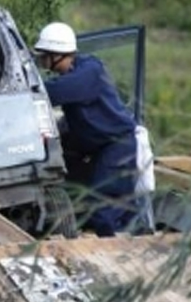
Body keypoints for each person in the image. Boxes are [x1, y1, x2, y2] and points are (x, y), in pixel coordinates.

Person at [33, 21, 140, 236]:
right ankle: (131, 236)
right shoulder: (74, 74)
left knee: (103, 209)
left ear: (58, 54)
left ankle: (114, 252)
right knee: (112, 206)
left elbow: (54, 92)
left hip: (117, 146)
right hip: (100, 148)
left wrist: (27, 90)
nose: (43, 62)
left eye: (45, 56)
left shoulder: (90, 70)